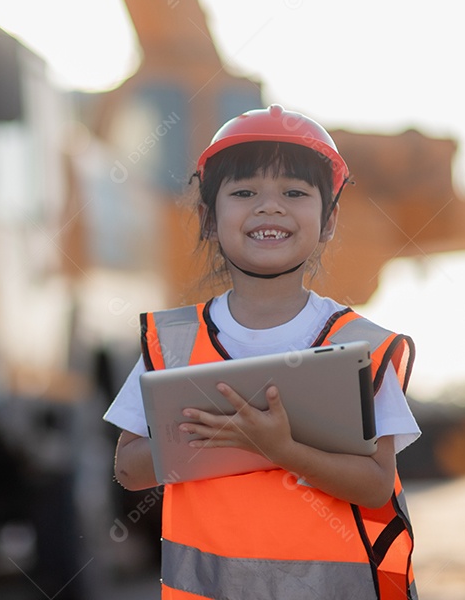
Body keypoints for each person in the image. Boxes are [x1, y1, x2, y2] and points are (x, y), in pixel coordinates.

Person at [104, 105, 421, 600]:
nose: (269, 207)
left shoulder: (361, 345)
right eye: (244, 192)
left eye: (294, 193)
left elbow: (376, 484)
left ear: (330, 219)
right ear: (209, 219)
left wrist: (283, 450)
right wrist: (230, 436)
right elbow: (128, 469)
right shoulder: (174, 342)